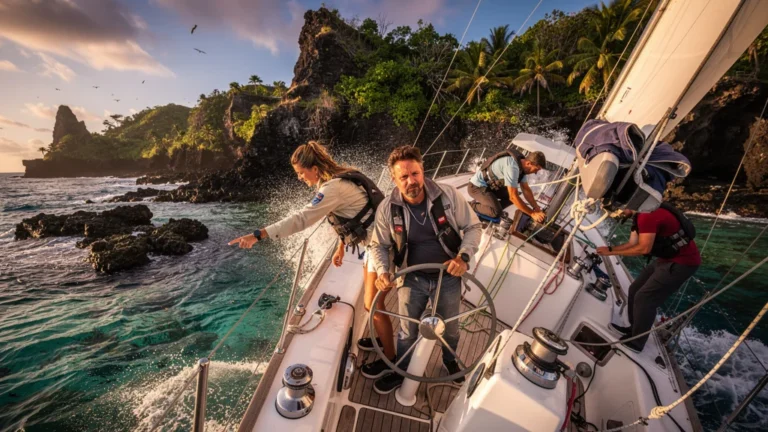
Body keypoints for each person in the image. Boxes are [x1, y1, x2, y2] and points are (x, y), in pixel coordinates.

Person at [227, 141, 397, 364]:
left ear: (314, 169)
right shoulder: (336, 180)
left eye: (300, 173)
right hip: (373, 242)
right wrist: (341, 246)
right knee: (371, 303)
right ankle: (384, 343)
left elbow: (301, 220)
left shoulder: (331, 188)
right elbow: (351, 215)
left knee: (372, 306)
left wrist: (258, 235)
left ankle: (391, 360)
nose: (299, 178)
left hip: (380, 246)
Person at [368, 145, 482, 394]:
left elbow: (473, 227)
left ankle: (450, 361)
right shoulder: (388, 209)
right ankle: (401, 371)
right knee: (407, 332)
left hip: (449, 277)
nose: (411, 181)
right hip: (411, 278)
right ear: (394, 180)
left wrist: (463, 257)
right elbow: (378, 245)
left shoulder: (448, 195)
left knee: (450, 329)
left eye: (415, 174)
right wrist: (383, 271)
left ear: (423, 170)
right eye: (404, 177)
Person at [596, 203, 701, 353]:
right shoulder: (638, 214)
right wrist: (610, 249)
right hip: (666, 259)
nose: (616, 215)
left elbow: (644, 248)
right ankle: (633, 330)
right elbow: (632, 243)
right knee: (634, 289)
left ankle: (637, 343)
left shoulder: (646, 216)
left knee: (645, 297)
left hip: (683, 263)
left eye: (617, 211)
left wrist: (611, 253)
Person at [468, 149, 547, 223]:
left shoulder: (521, 168)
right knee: (496, 212)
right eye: (536, 169)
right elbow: (513, 197)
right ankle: (470, 205)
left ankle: (490, 208)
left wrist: (536, 208)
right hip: (476, 187)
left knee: (515, 198)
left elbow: (526, 189)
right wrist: (532, 214)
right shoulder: (512, 167)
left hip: (490, 187)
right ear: (529, 163)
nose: (535, 173)